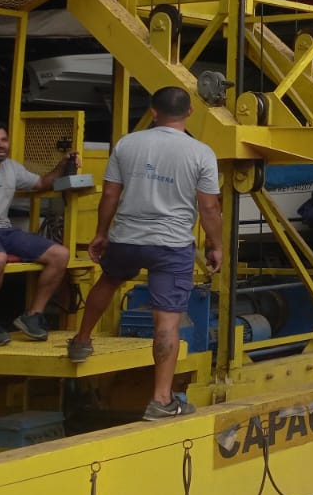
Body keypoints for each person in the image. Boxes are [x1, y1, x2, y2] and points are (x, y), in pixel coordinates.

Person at [68, 86, 222, 421]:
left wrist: (101, 232)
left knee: (109, 281)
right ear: (190, 113)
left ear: (153, 111)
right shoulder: (201, 153)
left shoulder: (127, 143)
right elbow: (209, 208)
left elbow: (110, 194)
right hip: (171, 245)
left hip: (127, 237)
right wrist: (216, 245)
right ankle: (161, 399)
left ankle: (81, 340)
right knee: (166, 319)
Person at [0, 119, 78, 345]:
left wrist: (62, 165)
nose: (0, 145)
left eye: (3, 140)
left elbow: (41, 183)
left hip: (4, 230)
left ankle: (33, 315)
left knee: (60, 254)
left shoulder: (11, 167)